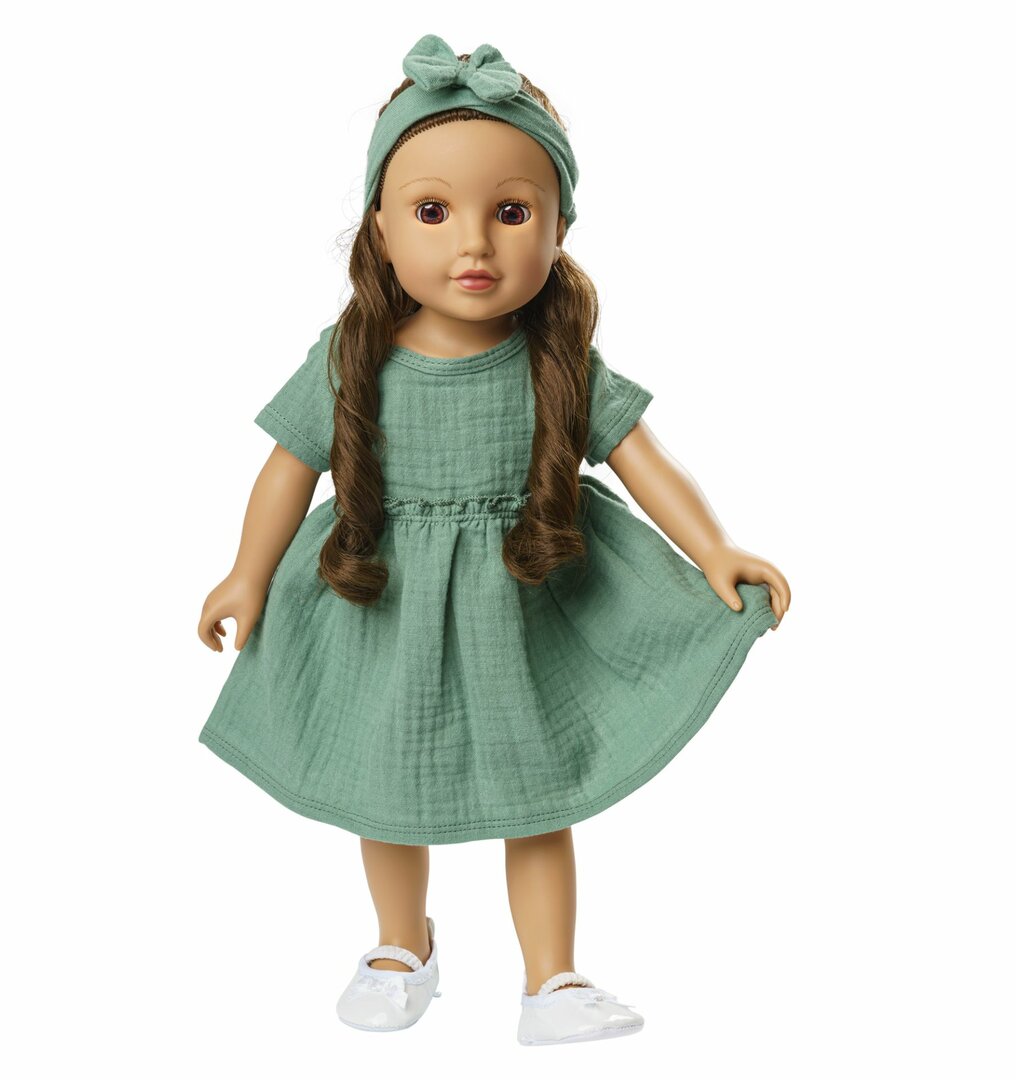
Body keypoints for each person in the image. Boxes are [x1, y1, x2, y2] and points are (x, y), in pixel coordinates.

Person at [196, 34, 791, 1046]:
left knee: (540, 794)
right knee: (383, 789)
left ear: (559, 228)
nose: (473, 243)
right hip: (381, 600)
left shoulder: (555, 360)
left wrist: (714, 551)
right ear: (381, 228)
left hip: (526, 603)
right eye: (433, 212)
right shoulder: (352, 359)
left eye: (511, 212)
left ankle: (551, 977)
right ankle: (401, 947)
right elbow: (288, 468)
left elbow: (642, 457)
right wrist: (246, 575)